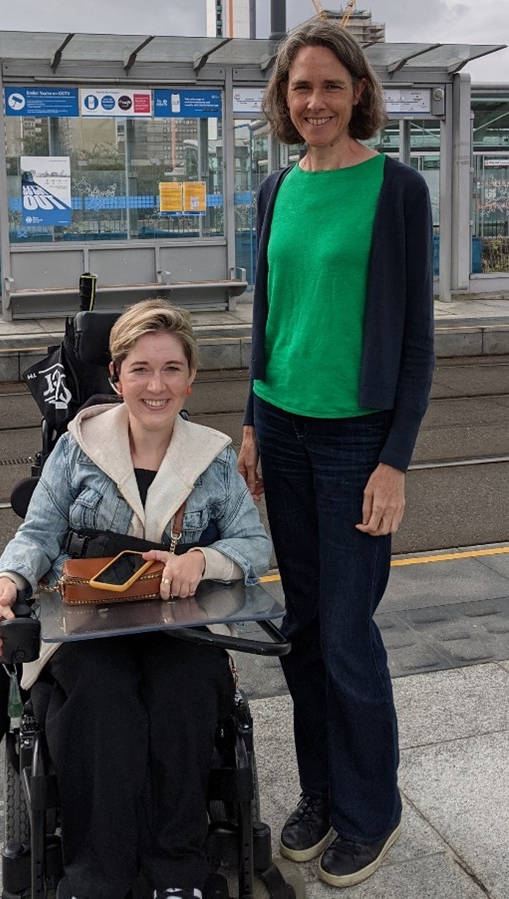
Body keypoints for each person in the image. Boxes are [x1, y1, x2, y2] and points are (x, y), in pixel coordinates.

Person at [237, 21, 435, 890]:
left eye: (329, 86)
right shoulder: (275, 190)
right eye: (298, 89)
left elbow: (418, 342)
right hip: (282, 428)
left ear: (359, 93)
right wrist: (250, 420)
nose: (313, 102)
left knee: (350, 634)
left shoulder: (398, 190)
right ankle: (319, 792)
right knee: (305, 630)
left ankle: (371, 811)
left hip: (358, 438)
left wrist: (394, 459)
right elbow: (267, 320)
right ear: (283, 102)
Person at [0, 298, 272, 899]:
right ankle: (99, 872)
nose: (156, 384)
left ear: (191, 378)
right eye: (140, 368)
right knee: (101, 698)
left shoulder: (213, 459)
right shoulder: (79, 446)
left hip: (182, 628)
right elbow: (37, 534)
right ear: (116, 376)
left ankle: (178, 871)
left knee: (185, 691)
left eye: (171, 369)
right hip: (90, 628)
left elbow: (254, 544)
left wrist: (203, 559)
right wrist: (7, 582)